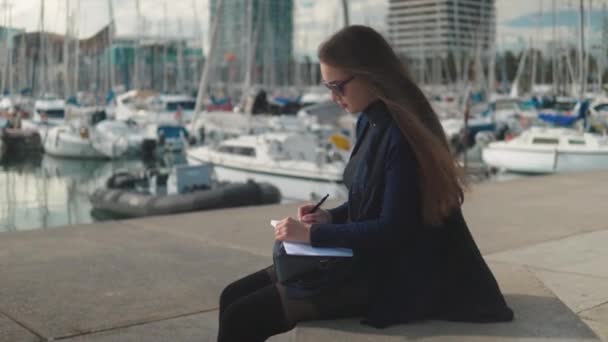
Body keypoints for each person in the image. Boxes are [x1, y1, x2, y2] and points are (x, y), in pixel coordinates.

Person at [217, 25, 514, 342]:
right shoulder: (372, 120)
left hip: (397, 275)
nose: (333, 97)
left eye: (338, 86)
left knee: (242, 315)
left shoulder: (401, 136)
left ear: (370, 75)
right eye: (329, 87)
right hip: (370, 260)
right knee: (231, 295)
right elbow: (370, 199)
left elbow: (393, 230)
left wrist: (312, 234)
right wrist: (331, 216)